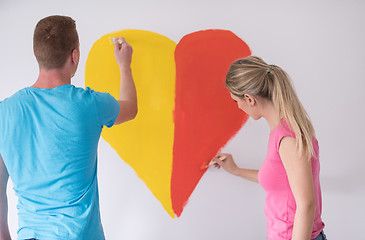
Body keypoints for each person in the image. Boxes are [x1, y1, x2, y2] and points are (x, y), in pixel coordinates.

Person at [0, 15, 137, 240]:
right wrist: (124, 64)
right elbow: (131, 108)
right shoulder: (89, 104)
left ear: (36, 54)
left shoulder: (4, 112)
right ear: (75, 56)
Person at [212, 56, 326, 240]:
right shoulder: (283, 130)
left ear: (249, 98)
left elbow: (306, 204)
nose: (238, 106)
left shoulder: (287, 138)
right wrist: (236, 170)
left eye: (236, 101)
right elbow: (280, 179)